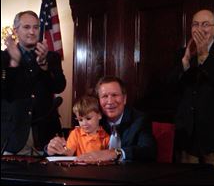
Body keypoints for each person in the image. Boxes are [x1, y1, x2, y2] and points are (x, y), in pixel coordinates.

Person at [172, 9, 214, 167]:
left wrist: (205, 56)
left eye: (205, 25)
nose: (199, 29)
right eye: (195, 24)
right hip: (187, 139)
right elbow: (171, 87)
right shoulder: (183, 53)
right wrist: (185, 61)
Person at [1, 10, 66, 155]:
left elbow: (60, 86)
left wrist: (44, 66)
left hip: (47, 136)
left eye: (36, 27)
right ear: (15, 30)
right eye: (26, 27)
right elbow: (5, 94)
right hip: (13, 137)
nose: (32, 32)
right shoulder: (3, 58)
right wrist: (14, 63)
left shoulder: (52, 57)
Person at [76, 76, 157, 162]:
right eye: (104, 96)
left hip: (129, 173)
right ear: (99, 100)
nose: (110, 101)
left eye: (114, 95)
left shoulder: (140, 120)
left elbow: (149, 150)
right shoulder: (92, 119)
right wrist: (63, 146)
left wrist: (115, 153)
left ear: (124, 99)